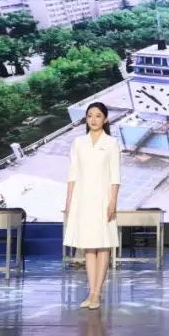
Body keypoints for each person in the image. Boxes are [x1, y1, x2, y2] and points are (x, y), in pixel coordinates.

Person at [63, 102, 121, 310]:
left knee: (103, 245)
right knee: (88, 246)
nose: (93, 120)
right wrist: (69, 202)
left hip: (103, 199)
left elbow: (115, 176)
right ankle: (91, 292)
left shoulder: (111, 143)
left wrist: (113, 201)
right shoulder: (78, 143)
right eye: (90, 116)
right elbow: (72, 174)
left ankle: (97, 293)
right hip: (83, 199)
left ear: (105, 119)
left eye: (98, 116)